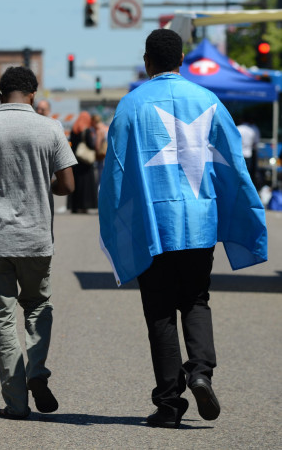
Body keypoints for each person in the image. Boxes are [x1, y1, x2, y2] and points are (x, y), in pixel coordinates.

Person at [99, 29, 268, 429]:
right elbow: (234, 167)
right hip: (199, 222)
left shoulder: (131, 106)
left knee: (159, 310)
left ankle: (169, 404)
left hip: (155, 224)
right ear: (182, 60)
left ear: (147, 61)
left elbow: (116, 174)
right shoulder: (209, 100)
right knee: (195, 299)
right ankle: (201, 371)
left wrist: (116, 222)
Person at [0, 66, 76, 420]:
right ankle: (37, 372)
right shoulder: (50, 128)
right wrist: (43, 184)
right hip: (37, 238)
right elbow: (67, 185)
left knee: (3, 319)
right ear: (33, 94)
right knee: (38, 307)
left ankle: (16, 402)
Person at [68, 111, 98, 213]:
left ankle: (74, 206)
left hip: (75, 161)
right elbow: (90, 145)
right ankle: (84, 206)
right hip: (85, 162)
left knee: (76, 183)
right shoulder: (86, 130)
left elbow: (71, 143)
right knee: (85, 185)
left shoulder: (74, 130)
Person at [236, 114, 261, 188]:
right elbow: (255, 143)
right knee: (247, 175)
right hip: (249, 154)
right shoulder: (253, 129)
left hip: (238, 154)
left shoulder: (238, 128)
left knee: (238, 174)